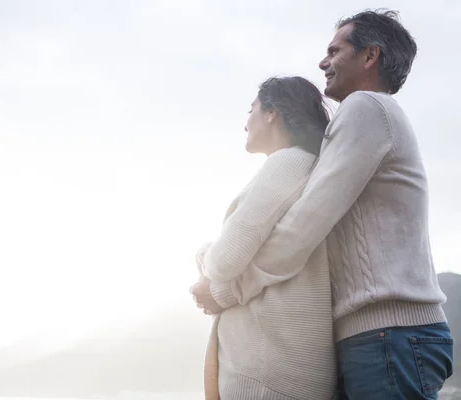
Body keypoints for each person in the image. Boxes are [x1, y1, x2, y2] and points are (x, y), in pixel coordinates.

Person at [192, 9, 454, 400]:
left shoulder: (366, 107)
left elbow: (304, 227)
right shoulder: (363, 120)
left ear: (370, 57)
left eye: (335, 50)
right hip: (380, 336)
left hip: (390, 335)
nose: (323, 62)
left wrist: (228, 289)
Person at [192, 76, 336, 400]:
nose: (246, 121)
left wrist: (202, 254)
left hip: (265, 375)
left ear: (272, 113)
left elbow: (226, 260)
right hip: (289, 370)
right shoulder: (313, 167)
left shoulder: (287, 162)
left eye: (252, 109)